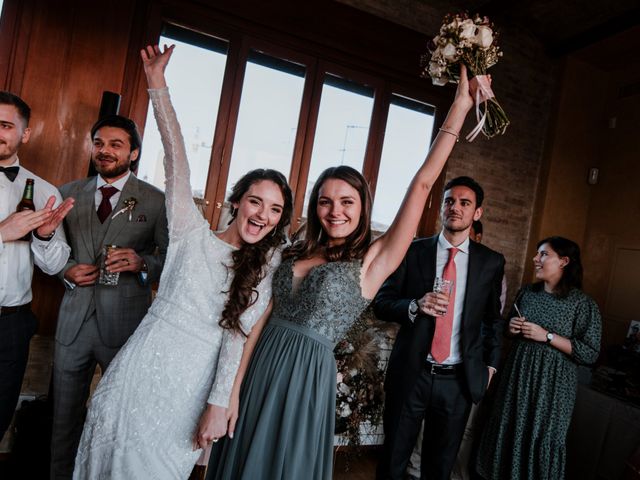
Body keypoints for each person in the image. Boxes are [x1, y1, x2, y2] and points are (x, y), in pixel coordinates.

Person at [207, 63, 475, 480]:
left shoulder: (371, 263)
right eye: (326, 201)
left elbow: (422, 184)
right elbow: (256, 323)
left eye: (347, 202)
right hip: (258, 366)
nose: (336, 211)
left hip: (304, 379)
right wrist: (231, 390)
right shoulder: (291, 251)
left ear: (362, 207)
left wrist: (458, 108)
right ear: (315, 207)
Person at [71, 45, 293, 479]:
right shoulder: (192, 232)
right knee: (104, 452)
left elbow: (235, 341)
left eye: (275, 209)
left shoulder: (264, 268)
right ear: (236, 203)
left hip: (189, 388)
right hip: (139, 366)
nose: (262, 215)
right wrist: (157, 85)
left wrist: (217, 402)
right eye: (255, 201)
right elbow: (177, 160)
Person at [50, 110, 170, 477]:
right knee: (62, 420)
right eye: (99, 143)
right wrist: (66, 270)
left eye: (115, 145)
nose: (104, 151)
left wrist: (142, 262)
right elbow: (50, 251)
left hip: (125, 328)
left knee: (115, 422)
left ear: (133, 153)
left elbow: (170, 260)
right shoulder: (68, 193)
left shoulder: (155, 200)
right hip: (72, 325)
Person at [375, 176, 505, 480]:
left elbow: (492, 320)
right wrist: (414, 305)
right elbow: (382, 302)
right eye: (449, 201)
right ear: (441, 208)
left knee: (439, 467)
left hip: (458, 381)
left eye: (464, 203)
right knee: (393, 461)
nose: (455, 208)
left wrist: (490, 367)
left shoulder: (491, 262)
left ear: (477, 213)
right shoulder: (413, 250)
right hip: (412, 374)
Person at [476, 236, 601, 480]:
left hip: (553, 386)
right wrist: (512, 327)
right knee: (509, 427)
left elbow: (589, 352)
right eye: (537, 253)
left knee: (541, 436)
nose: (536, 259)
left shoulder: (582, 304)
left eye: (543, 254)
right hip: (518, 376)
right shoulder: (527, 293)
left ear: (564, 261)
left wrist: (547, 336)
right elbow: (507, 329)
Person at [0, 91, 74, 441]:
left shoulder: (45, 191)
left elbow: (54, 265)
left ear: (24, 134)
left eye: (5, 125)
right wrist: (2, 232)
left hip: (12, 324)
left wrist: (44, 237)